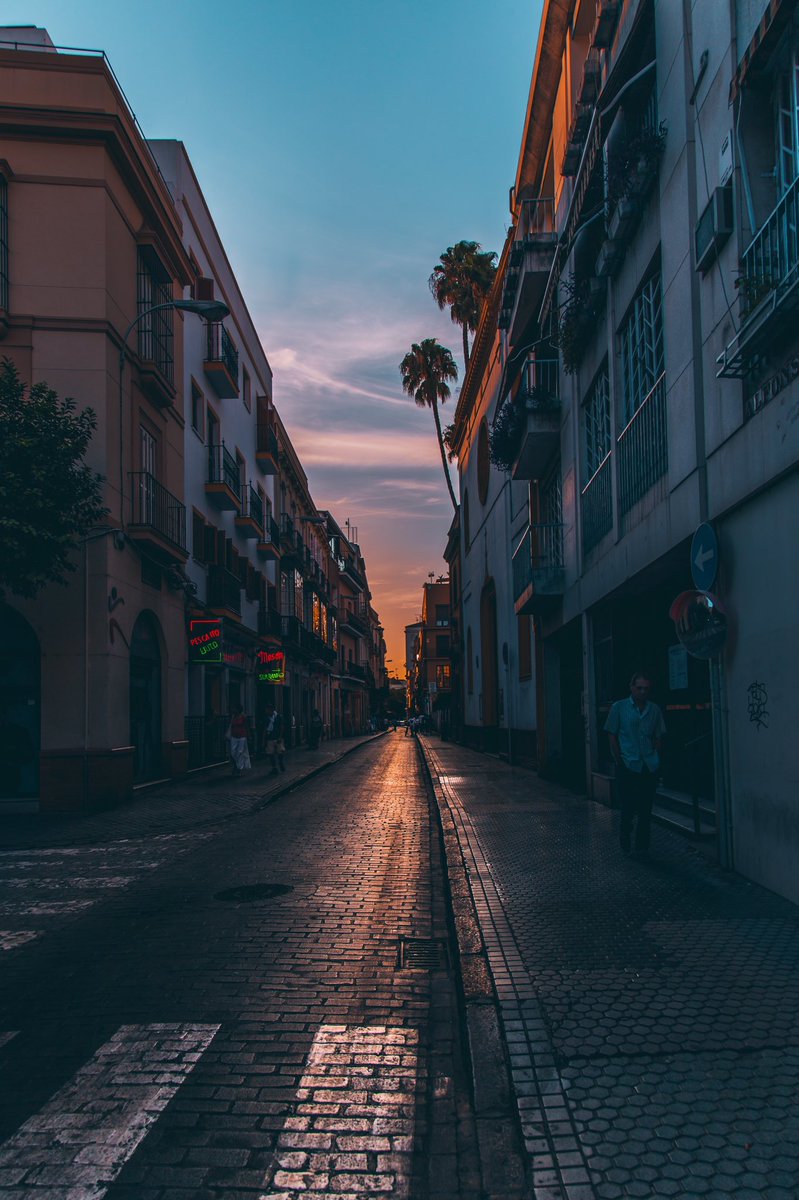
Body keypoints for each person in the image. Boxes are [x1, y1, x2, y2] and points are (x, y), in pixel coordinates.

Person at [604, 672, 666, 859]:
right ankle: (625, 834)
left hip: (648, 764)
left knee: (646, 808)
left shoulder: (654, 710)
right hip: (628, 763)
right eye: (639, 688)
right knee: (628, 806)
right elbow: (612, 733)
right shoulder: (619, 708)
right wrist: (618, 758)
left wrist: (656, 756)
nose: (642, 692)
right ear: (631, 688)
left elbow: (658, 735)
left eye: (646, 688)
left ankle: (642, 846)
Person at [227, 705, 251, 778]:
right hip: (234, 736)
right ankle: (236, 766)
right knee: (233, 752)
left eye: (235, 708)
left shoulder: (243, 717)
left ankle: (238, 769)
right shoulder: (233, 717)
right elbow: (231, 726)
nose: (233, 709)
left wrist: (249, 735)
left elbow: (246, 726)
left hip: (242, 737)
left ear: (238, 709)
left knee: (240, 753)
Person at [264, 705, 286, 775]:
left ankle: (280, 761)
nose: (266, 711)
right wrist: (264, 739)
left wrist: (280, 736)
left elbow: (282, 727)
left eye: (267, 710)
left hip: (278, 738)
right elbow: (265, 729)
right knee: (270, 754)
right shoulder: (267, 718)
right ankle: (274, 768)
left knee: (280, 752)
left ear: (271, 710)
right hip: (270, 738)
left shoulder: (279, 717)